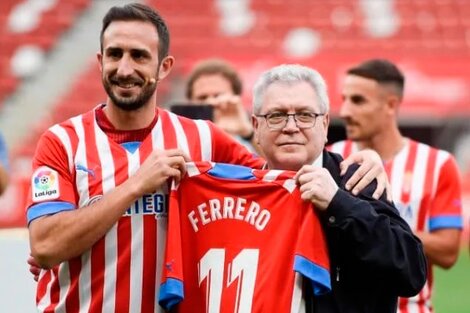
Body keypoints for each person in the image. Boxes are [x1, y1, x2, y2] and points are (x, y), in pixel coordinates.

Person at [25, 4, 388, 313]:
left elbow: (285, 183)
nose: (125, 69)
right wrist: (136, 185)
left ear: (164, 67)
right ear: (100, 60)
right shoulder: (62, 142)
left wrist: (356, 160)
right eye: (115, 54)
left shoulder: (202, 137)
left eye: (139, 56)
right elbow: (45, 247)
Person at [249, 64, 426, 313]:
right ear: (256, 127)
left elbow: (410, 272)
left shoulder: (358, 180)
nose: (291, 126)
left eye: (305, 115)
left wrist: (338, 204)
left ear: (325, 124)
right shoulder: (242, 192)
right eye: (276, 115)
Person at [329, 59, 463, 313]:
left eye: (358, 101)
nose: (345, 111)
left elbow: (448, 252)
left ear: (390, 105)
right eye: (344, 99)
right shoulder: (332, 159)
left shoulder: (437, 163)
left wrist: (378, 229)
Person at [184, 59, 259, 153]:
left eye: (218, 96)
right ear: (190, 103)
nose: (210, 102)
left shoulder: (250, 139)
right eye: (202, 98)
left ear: (236, 98)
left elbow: (274, 165)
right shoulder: (180, 138)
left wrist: (248, 133)